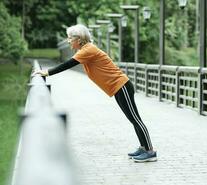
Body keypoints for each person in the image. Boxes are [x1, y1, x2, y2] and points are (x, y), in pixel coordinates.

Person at [33, 24, 157, 163]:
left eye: (70, 38)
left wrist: (47, 72)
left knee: (135, 118)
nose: (68, 41)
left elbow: (68, 64)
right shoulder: (85, 49)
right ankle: (143, 147)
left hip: (122, 86)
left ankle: (150, 151)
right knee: (132, 119)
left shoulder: (88, 50)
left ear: (79, 39)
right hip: (118, 88)